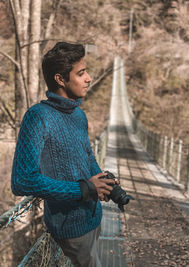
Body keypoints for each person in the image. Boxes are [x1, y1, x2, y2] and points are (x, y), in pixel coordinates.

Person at [11, 42, 116, 267]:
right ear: (60, 79)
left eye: (86, 71)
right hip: (71, 229)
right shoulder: (38, 117)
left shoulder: (79, 115)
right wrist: (84, 189)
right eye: (81, 73)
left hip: (94, 216)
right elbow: (22, 181)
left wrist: (104, 182)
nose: (89, 78)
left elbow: (87, 157)